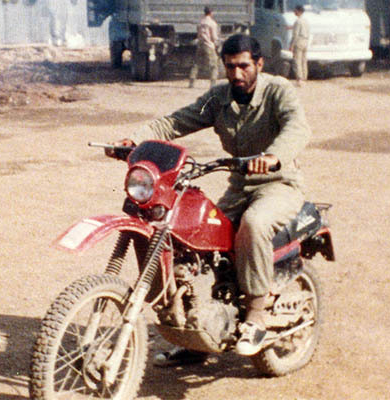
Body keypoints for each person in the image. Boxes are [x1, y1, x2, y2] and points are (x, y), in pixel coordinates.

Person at [107, 34, 311, 364]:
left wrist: (273, 156)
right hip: (239, 187)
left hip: (279, 184)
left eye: (243, 66)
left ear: (259, 64)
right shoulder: (219, 98)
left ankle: (256, 314)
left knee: (255, 224)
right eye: (229, 67)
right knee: (191, 235)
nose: (236, 74)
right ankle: (196, 332)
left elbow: (297, 128)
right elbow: (175, 122)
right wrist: (136, 139)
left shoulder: (278, 91)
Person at [188, 7, 219, 89]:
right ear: (211, 13)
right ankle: (213, 84)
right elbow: (214, 37)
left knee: (196, 64)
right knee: (214, 65)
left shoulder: (200, 23)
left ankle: (191, 82)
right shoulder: (212, 23)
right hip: (209, 46)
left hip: (200, 45)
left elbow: (198, 34)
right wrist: (216, 43)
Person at [290, 5, 310, 86]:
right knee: (304, 60)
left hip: (299, 41)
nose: (294, 12)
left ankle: (299, 78)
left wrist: (291, 45)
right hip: (305, 41)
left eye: (295, 10)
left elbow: (295, 34)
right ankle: (305, 77)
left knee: (297, 61)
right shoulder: (306, 21)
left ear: (298, 11)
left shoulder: (297, 21)